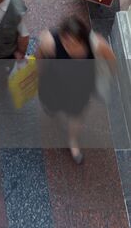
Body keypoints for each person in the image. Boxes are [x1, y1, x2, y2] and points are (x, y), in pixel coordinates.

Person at [38, 14, 116, 163]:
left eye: (74, 42)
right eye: (65, 41)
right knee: (51, 107)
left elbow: (111, 60)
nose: (69, 46)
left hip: (79, 89)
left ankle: (72, 141)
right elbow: (40, 59)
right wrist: (38, 74)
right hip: (53, 86)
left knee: (76, 115)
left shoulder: (96, 44)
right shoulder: (50, 41)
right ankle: (53, 110)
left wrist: (108, 77)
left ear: (83, 38)